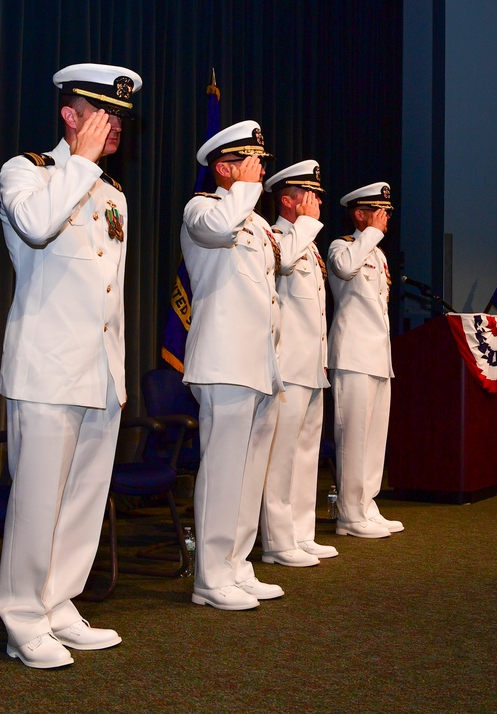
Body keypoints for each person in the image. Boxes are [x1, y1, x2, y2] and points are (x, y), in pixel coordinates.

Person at [0, 63, 141, 668]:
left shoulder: (113, 196)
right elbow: (34, 227)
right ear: (71, 115)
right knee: (37, 501)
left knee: (83, 498)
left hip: (98, 371)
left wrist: (120, 372)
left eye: (122, 119)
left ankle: (58, 604)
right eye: (105, 115)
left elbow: (112, 293)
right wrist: (77, 163)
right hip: (46, 368)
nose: (116, 128)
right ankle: (22, 617)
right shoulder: (26, 173)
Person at [181, 120, 304, 609]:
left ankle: (236, 562)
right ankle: (210, 577)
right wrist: (246, 189)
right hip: (223, 359)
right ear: (223, 167)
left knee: (251, 469)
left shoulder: (253, 222)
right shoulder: (204, 209)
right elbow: (218, 229)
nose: (259, 171)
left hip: (259, 361)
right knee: (223, 469)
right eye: (250, 162)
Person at [259, 160, 339, 567]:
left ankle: (301, 532)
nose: (318, 201)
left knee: (307, 453)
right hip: (286, 366)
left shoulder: (306, 243)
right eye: (310, 194)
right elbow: (280, 265)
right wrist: (305, 226)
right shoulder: (276, 237)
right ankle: (276, 539)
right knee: (282, 455)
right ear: (288, 200)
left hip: (311, 366)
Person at [327, 182, 403, 538]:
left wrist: (372, 238)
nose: (387, 218)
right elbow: (344, 269)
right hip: (353, 355)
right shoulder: (342, 247)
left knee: (374, 439)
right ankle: (349, 513)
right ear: (360, 214)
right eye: (379, 212)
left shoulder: (378, 255)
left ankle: (367, 505)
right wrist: (369, 234)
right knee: (353, 437)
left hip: (377, 356)